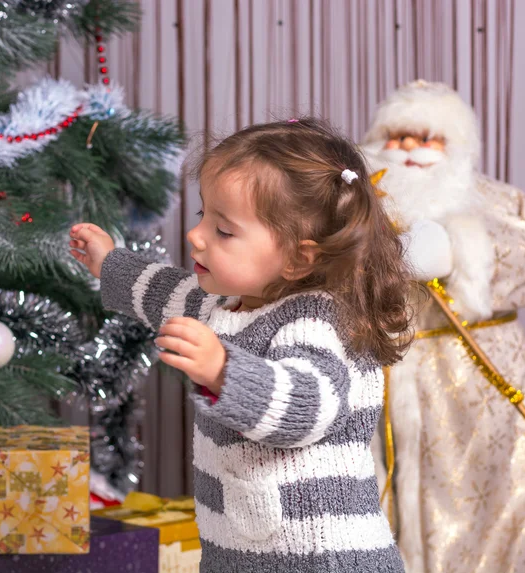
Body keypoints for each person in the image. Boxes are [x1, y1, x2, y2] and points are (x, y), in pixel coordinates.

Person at [70, 118, 411, 573]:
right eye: (202, 216)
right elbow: (160, 291)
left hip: (325, 559)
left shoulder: (318, 318)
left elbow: (307, 404)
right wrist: (109, 263)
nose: (196, 235)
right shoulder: (220, 303)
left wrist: (224, 370)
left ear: (298, 258)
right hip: (242, 553)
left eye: (223, 231)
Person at [360, 80, 525, 573]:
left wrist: (455, 247)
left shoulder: (494, 201)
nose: (410, 149)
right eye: (399, 136)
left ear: (455, 146)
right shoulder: (356, 206)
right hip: (377, 370)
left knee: (482, 498)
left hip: (471, 384)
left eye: (427, 138)